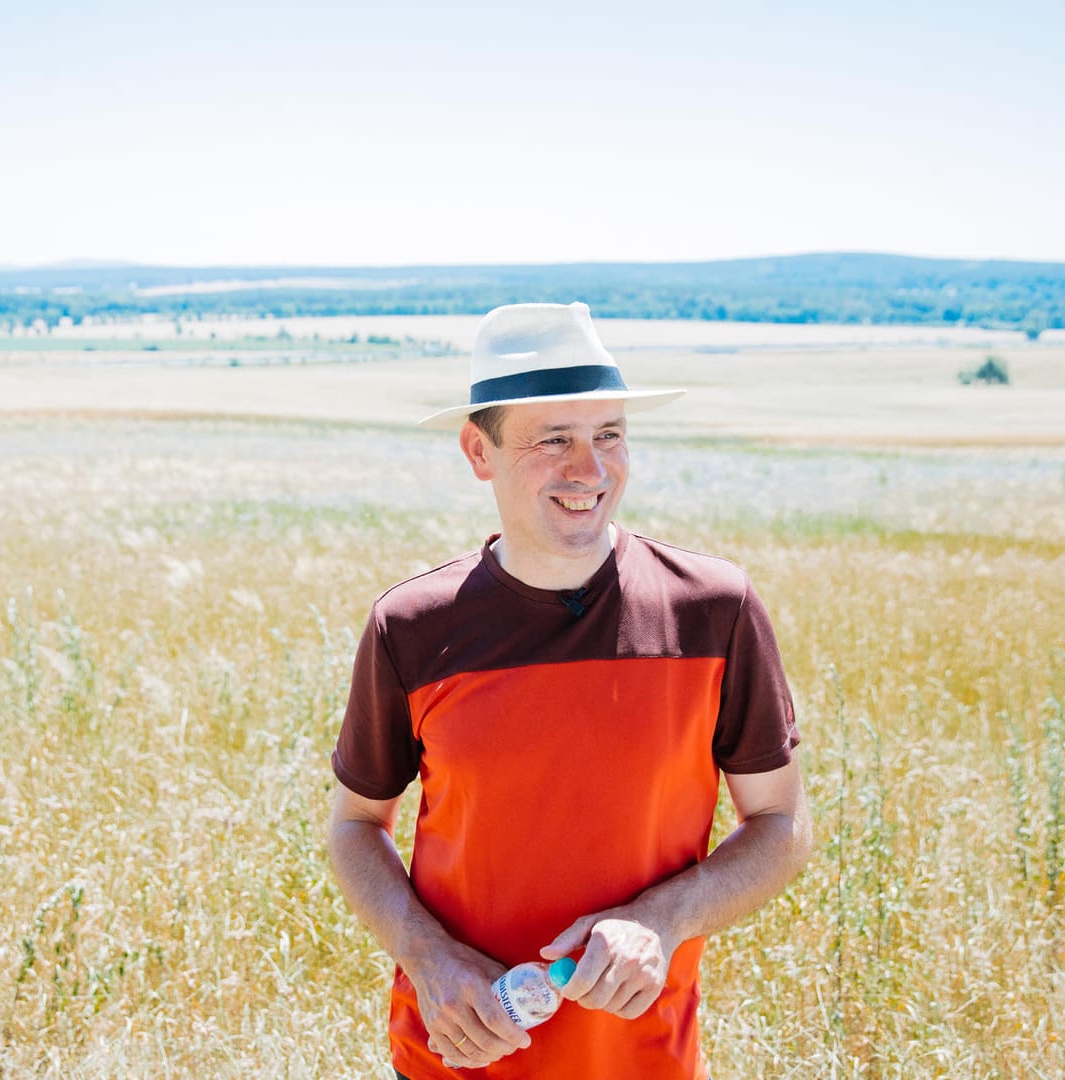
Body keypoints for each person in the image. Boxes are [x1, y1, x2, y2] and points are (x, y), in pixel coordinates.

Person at [327, 302, 812, 1079]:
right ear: (477, 452)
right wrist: (429, 960)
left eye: (608, 435)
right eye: (552, 439)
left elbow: (782, 823)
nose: (588, 469)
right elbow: (355, 826)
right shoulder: (411, 626)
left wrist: (663, 920)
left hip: (643, 1060)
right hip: (454, 1058)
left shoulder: (713, 610)